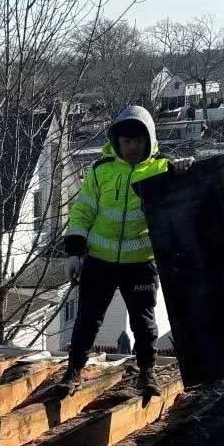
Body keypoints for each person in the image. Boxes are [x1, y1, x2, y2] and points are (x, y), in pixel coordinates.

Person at [58, 105, 188, 399]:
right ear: (117, 142)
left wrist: (183, 171)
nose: (132, 147)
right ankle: (73, 372)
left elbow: (185, 196)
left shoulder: (161, 169)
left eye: (138, 141)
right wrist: (74, 252)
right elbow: (82, 212)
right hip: (99, 261)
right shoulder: (101, 171)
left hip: (140, 263)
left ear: (148, 140)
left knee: (144, 323)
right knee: (87, 320)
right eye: (126, 141)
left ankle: (147, 373)